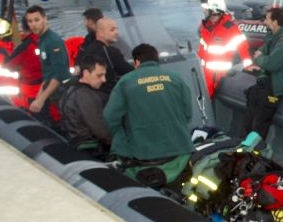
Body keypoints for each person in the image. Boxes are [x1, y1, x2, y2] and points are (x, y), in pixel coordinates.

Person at [104, 43, 194, 188]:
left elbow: (110, 118)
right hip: (178, 154)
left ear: (136, 62)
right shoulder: (176, 79)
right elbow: (188, 114)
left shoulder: (125, 82)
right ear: (156, 60)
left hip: (141, 158)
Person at [240, 7, 283, 140]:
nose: (264, 21)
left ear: (275, 22)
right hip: (269, 78)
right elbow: (260, 53)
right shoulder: (272, 37)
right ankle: (243, 149)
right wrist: (261, 58)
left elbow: (271, 63)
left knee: (259, 121)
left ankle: (255, 152)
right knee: (249, 114)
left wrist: (260, 59)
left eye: (267, 19)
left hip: (279, 83)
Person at [197, 0, 252, 97]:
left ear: (214, 10)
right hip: (202, 72)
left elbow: (243, 48)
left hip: (217, 76)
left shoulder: (230, 29)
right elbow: (201, 49)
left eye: (206, 9)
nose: (204, 12)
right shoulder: (206, 26)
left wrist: (248, 66)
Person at [24, 5, 71, 123]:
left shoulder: (53, 42)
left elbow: (60, 74)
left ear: (45, 19)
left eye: (37, 20)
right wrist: (40, 95)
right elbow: (48, 72)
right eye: (30, 21)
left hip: (62, 94)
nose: (33, 24)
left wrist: (41, 99)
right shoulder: (42, 40)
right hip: (53, 93)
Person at [59, 54, 112, 155]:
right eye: (99, 75)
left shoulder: (68, 90)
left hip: (74, 145)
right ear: (86, 73)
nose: (104, 80)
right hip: (91, 150)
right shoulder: (85, 95)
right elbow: (100, 131)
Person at [78, 17, 133, 94]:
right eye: (112, 30)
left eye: (117, 29)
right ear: (100, 33)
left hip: (90, 93)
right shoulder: (111, 52)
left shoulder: (86, 49)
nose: (116, 32)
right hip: (110, 94)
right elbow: (130, 72)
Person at [4, 15, 42, 110]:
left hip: (31, 90)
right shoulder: (48, 41)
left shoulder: (24, 47)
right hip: (48, 87)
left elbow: (8, 65)